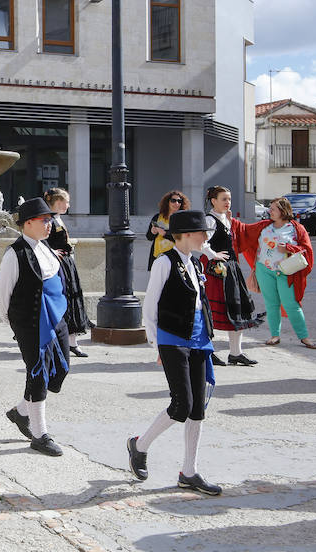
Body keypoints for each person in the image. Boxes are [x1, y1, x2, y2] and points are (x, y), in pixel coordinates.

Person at [128, 210, 220, 496]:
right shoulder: (164, 262)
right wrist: (157, 344)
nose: (205, 238)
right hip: (172, 338)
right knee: (181, 405)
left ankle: (189, 472)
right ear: (188, 234)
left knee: (197, 408)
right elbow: (150, 306)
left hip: (198, 338)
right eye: (202, 233)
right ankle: (139, 445)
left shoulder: (195, 263)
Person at [0, 197, 71, 457]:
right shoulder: (14, 254)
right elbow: (2, 294)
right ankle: (40, 434)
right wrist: (16, 324)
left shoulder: (46, 248)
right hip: (31, 323)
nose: (49, 225)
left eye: (50, 220)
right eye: (44, 220)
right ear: (28, 223)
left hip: (55, 318)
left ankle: (21, 411)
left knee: (60, 370)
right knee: (37, 375)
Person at [232, 197, 315, 349]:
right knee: (271, 304)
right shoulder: (264, 225)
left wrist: (289, 248)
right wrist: (227, 218)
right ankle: (275, 335)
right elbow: (244, 230)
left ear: (283, 211)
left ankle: (304, 337)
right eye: (270, 208)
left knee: (292, 304)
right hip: (264, 270)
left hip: (286, 272)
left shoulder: (296, 228)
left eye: (273, 209)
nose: (269, 211)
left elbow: (306, 250)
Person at [199, 186, 266, 367]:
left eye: (229, 199)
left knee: (238, 310)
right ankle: (207, 351)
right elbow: (201, 242)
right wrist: (213, 255)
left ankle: (236, 353)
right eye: (224, 199)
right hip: (216, 272)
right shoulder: (210, 220)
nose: (228, 202)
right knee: (211, 311)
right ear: (213, 201)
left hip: (231, 269)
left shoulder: (225, 219)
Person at [44, 188, 90, 358]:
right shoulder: (48, 219)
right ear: (57, 202)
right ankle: (65, 341)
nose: (69, 205)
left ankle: (71, 341)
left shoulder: (57, 219)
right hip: (59, 265)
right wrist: (52, 252)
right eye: (66, 201)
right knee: (64, 299)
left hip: (66, 263)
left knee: (70, 298)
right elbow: (41, 240)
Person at [146, 191, 190, 270]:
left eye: (179, 201)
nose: (176, 203)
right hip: (157, 256)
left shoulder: (183, 219)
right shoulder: (157, 217)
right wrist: (153, 232)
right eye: (173, 200)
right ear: (167, 202)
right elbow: (149, 237)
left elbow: (183, 240)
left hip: (176, 257)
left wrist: (165, 234)